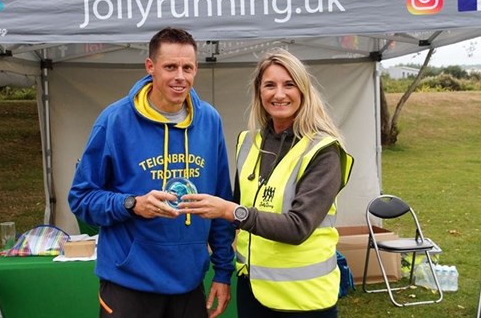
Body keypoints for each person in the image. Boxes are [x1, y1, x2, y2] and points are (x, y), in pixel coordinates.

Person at [68, 27, 236, 318]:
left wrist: (222, 271)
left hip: (188, 284)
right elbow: (81, 198)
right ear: (150, 67)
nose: (180, 77)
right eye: (170, 67)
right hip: (129, 284)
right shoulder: (115, 120)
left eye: (188, 67)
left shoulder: (209, 120)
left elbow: (220, 201)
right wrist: (131, 204)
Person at [178, 48, 354, 318]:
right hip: (253, 291)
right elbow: (235, 216)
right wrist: (223, 271)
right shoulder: (247, 143)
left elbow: (298, 227)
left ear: (303, 91)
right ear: (259, 93)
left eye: (289, 85)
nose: (279, 94)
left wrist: (229, 211)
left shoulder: (323, 150)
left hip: (304, 301)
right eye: (269, 85)